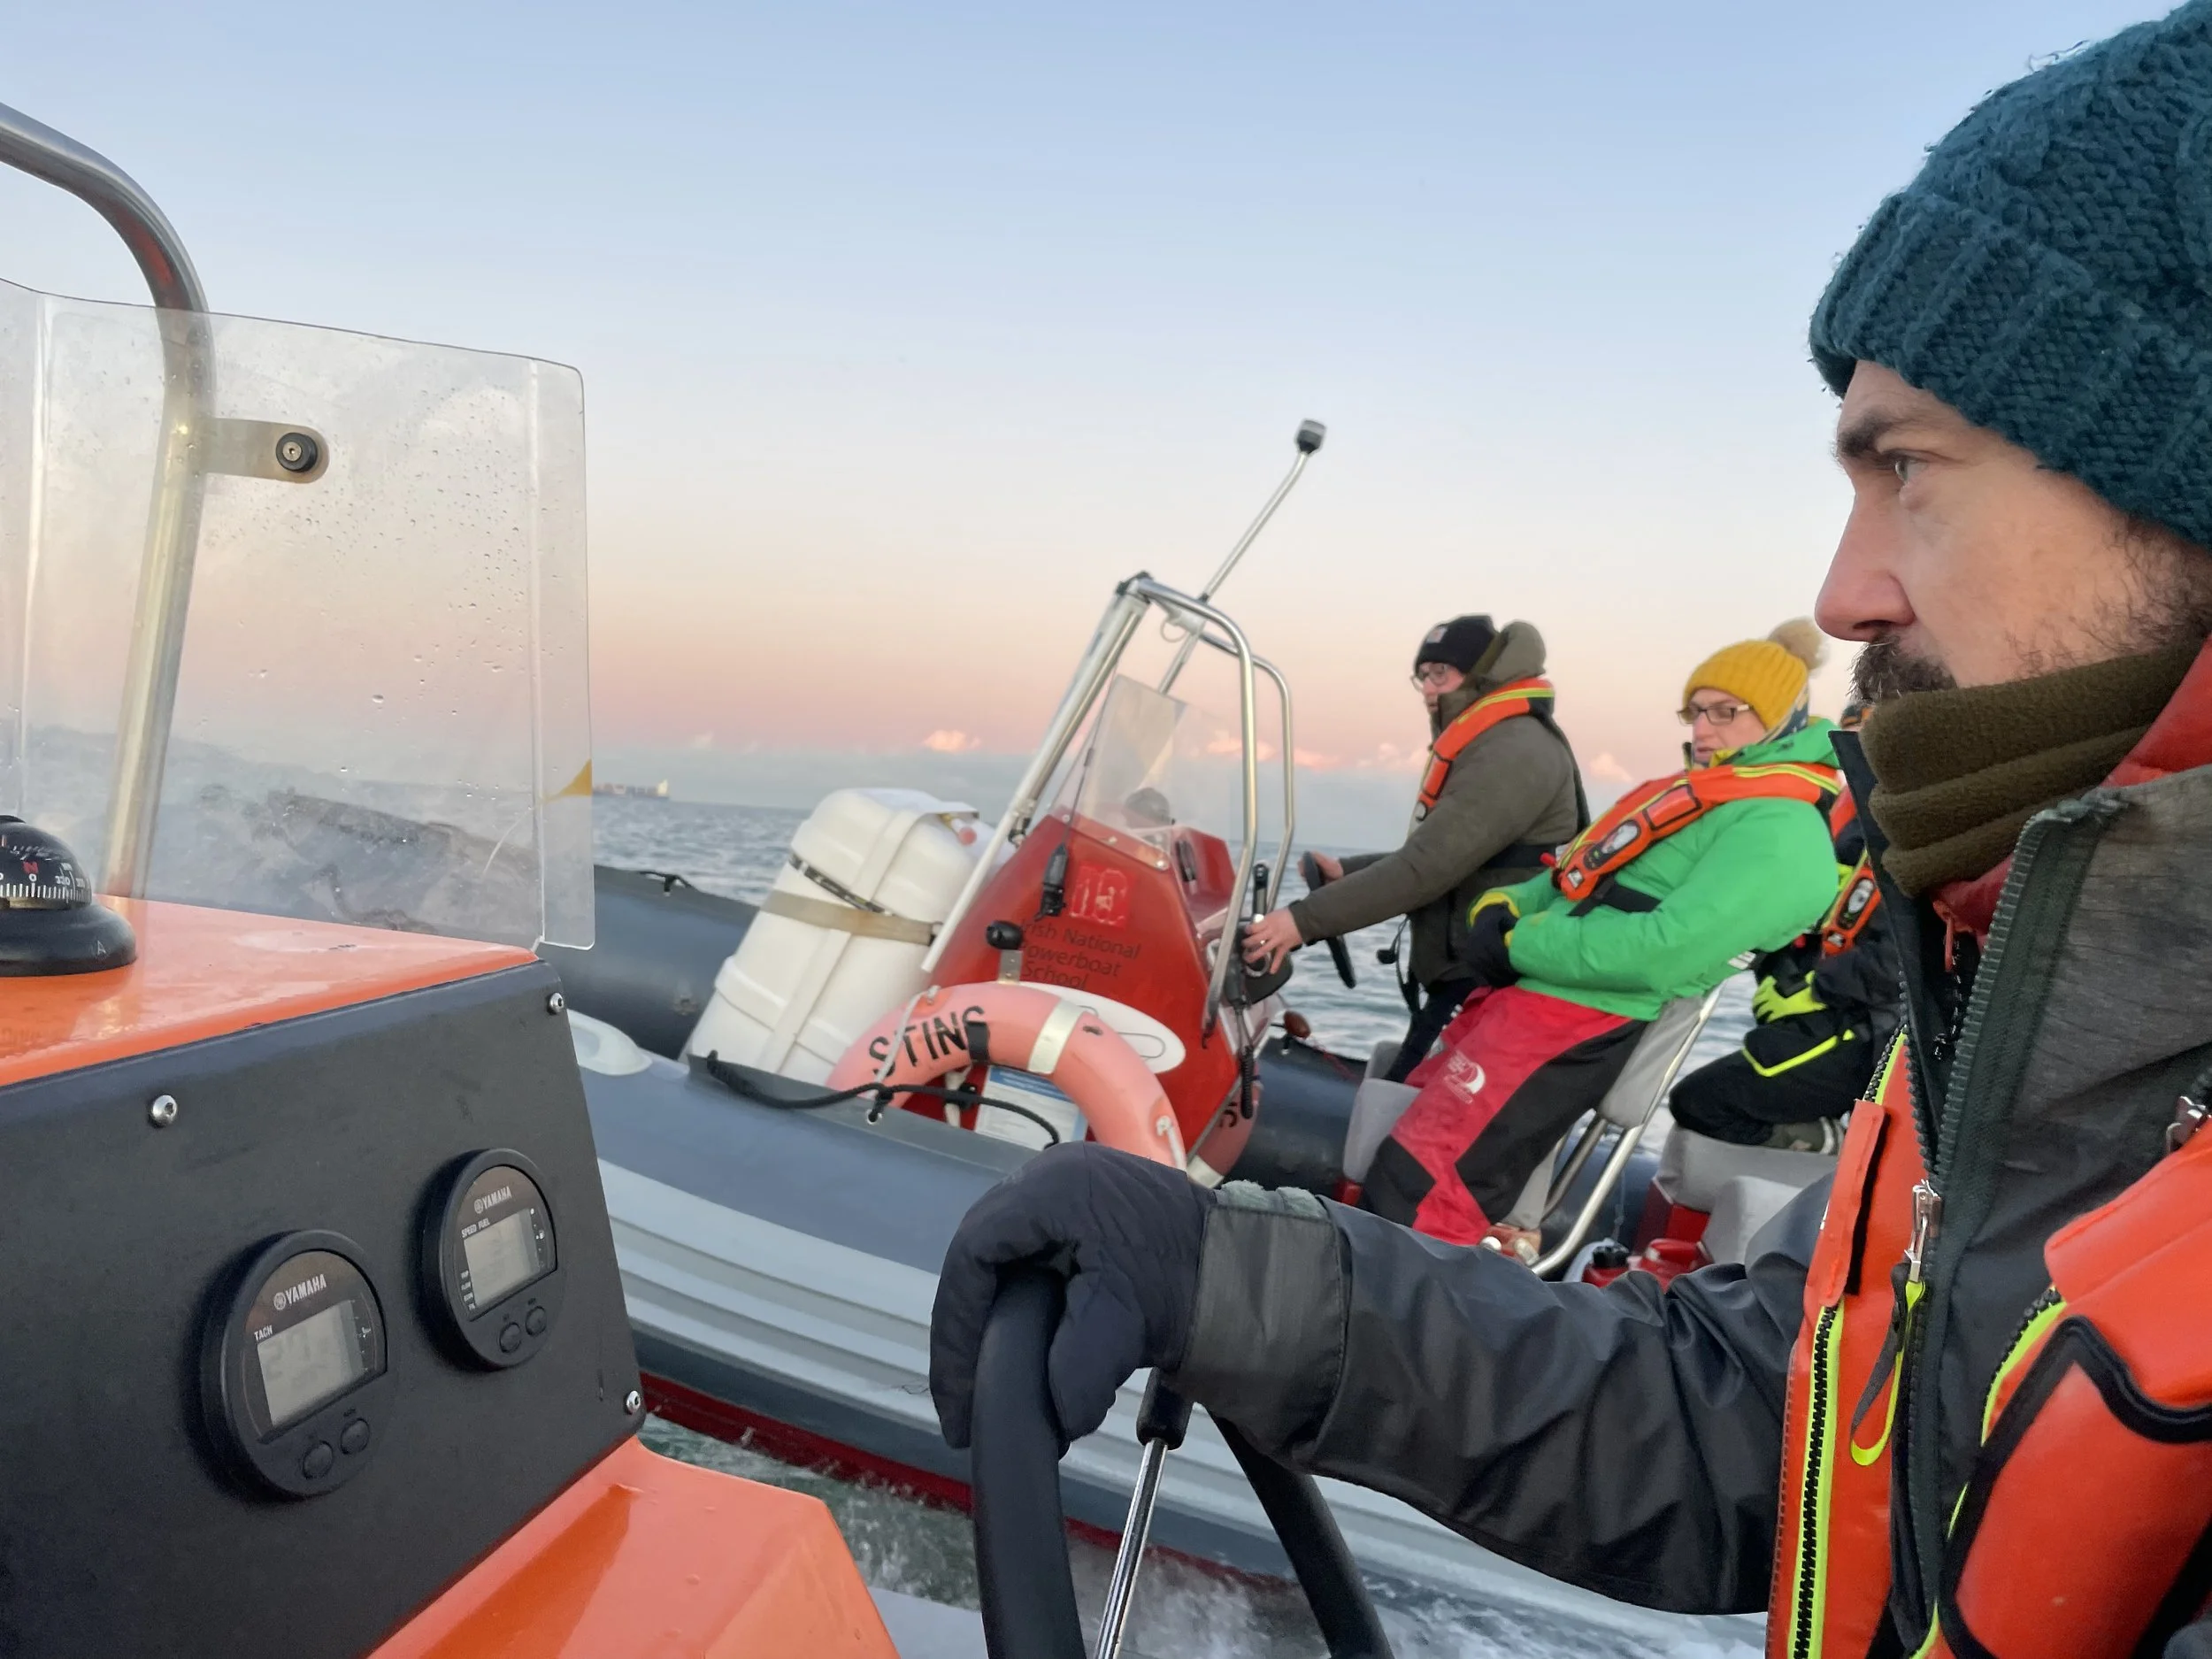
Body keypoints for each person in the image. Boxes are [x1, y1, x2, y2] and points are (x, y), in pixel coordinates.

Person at [930, 10, 2212, 1655]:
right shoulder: (2009, 1029)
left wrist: (1527, 935)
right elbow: (1754, 1424)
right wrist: (1227, 1275)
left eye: (1910, 468)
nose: (1842, 592)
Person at [1358, 621, 1843, 1252]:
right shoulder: (1707, 797)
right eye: (1695, 711)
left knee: (1421, 1186)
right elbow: (1574, 877)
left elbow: (1661, 951)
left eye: (1726, 713)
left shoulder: (1782, 832)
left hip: (1575, 1019)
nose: (1702, 729)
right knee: (1406, 1155)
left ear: (1783, 717)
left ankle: (1376, 1327)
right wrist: (1500, 906)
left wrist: (1515, 945)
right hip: (1526, 1001)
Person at [1240, 615, 1582, 1080]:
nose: (1427, 687)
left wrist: (1300, 921)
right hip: (1471, 970)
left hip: (1487, 978)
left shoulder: (1514, 748)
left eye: (1440, 673)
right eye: (1422, 675)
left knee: (1409, 1122)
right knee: (1404, 1092)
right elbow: (1458, 855)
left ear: (1481, 675)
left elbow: (1428, 868)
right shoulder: (1495, 739)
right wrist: (1349, 871)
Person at [1668, 701, 1902, 1151]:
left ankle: (1832, 1143)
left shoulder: (1908, 841)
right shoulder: (1830, 823)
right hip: (1809, 1016)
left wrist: (1813, 988)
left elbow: (1901, 964)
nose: (1852, 756)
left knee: (1699, 1102)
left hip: (1859, 1032)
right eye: (1847, 739)